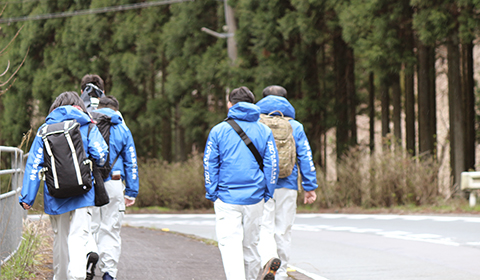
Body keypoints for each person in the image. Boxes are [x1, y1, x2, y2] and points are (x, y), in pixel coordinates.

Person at [19, 91, 108, 280]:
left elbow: (34, 165)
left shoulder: (44, 129)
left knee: (60, 239)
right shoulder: (88, 125)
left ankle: (59, 277)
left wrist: (27, 197)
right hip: (84, 192)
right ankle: (76, 276)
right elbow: (101, 154)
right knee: (79, 236)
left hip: (55, 193)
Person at [203, 86, 280, 280]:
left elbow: (210, 162)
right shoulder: (264, 130)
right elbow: (272, 163)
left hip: (226, 197)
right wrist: (267, 191)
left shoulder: (218, 130)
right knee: (251, 245)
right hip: (255, 198)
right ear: (252, 104)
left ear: (230, 104)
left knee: (230, 246)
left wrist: (212, 192)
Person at [256, 85, 318, 280]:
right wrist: (310, 186)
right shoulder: (295, 126)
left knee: (263, 227)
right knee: (283, 229)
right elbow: (305, 156)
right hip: (288, 184)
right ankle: (281, 273)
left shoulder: (256, 123)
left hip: (262, 184)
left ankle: (268, 259)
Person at [88, 95, 139, 280]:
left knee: (90, 225)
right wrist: (132, 191)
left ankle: (89, 259)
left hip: (91, 184)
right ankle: (109, 272)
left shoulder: (87, 124)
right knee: (111, 229)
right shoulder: (122, 128)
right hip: (114, 182)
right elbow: (131, 161)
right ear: (116, 110)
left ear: (98, 107)